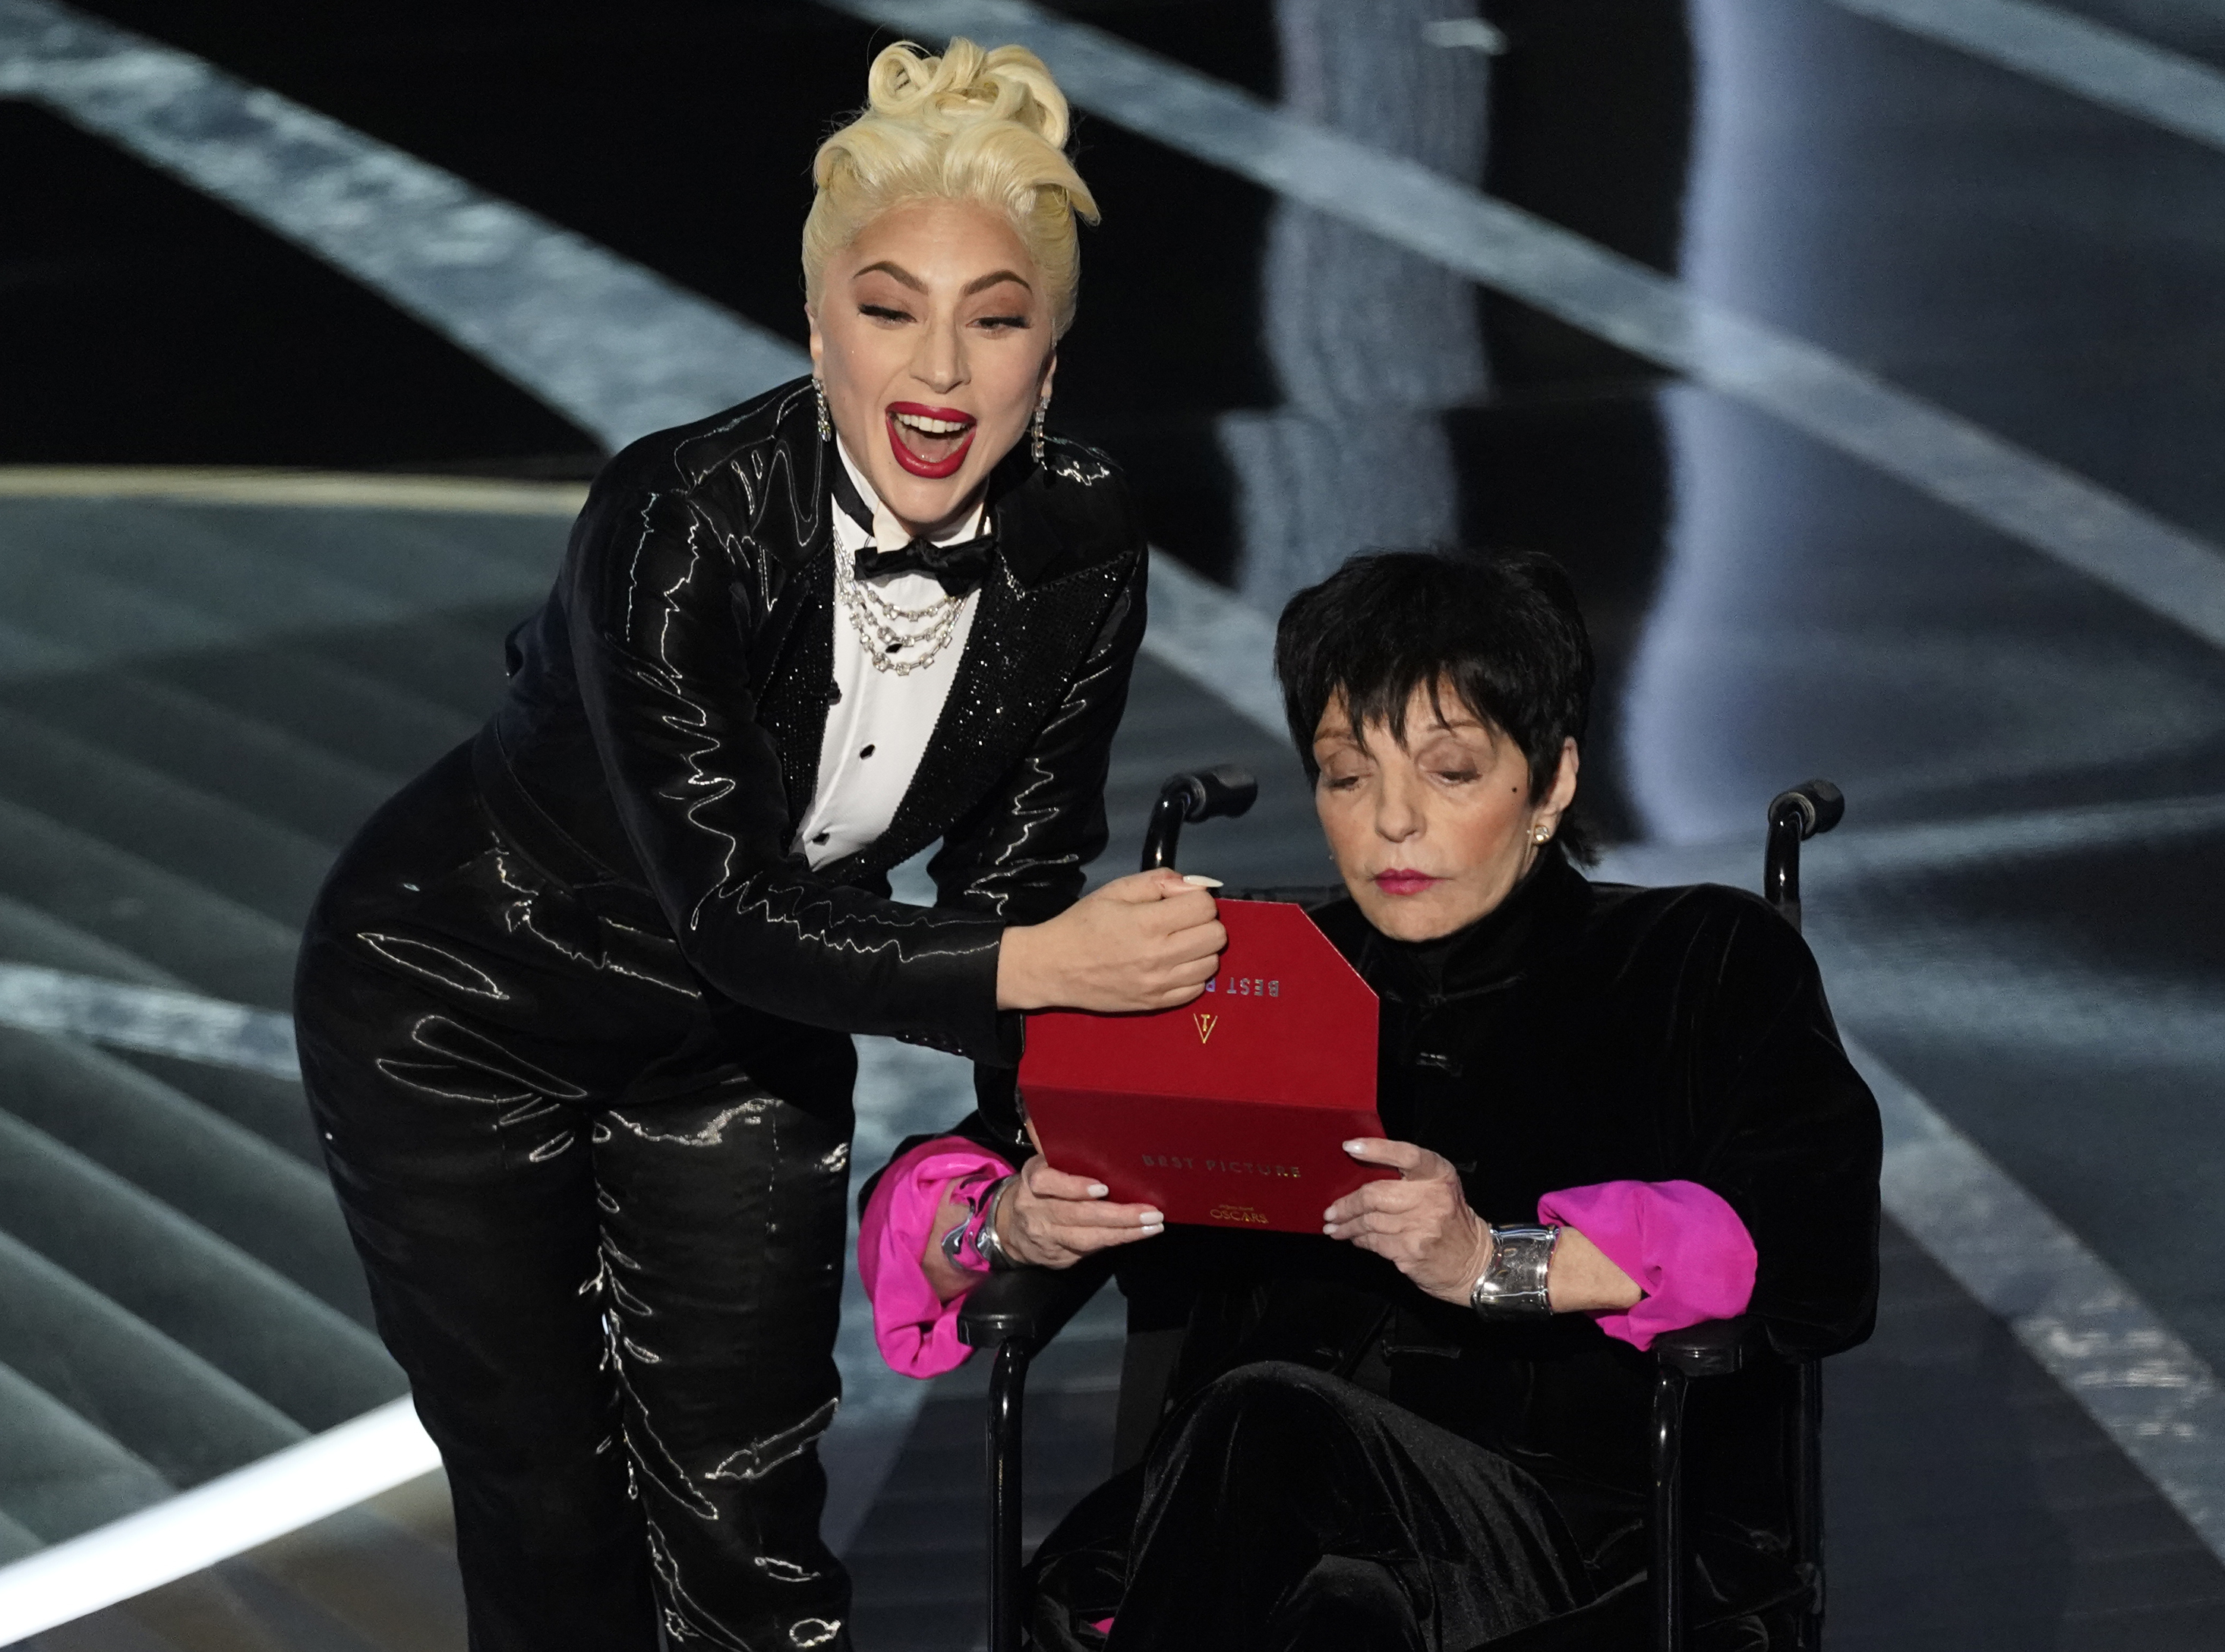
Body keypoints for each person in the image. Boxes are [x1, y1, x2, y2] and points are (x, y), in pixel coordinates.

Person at [293, 39, 1228, 1652]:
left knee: (751, 1517)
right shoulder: (681, 516)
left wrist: (1008, 1171)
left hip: (740, 1037)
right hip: (461, 999)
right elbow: (733, 907)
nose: (938, 368)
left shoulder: (1083, 541)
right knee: (555, 1506)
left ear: (1050, 362)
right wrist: (1030, 964)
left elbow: (1020, 871)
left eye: (994, 319)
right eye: (888, 308)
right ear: (815, 331)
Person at [857, 550, 1883, 1650]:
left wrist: (1495, 1261)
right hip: (1248, 1547)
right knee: (1343, 1605)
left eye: (1450, 773)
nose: (1394, 823)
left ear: (1552, 780)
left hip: (1574, 1547)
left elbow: (1807, 1241)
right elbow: (941, 1205)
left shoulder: (1698, 964)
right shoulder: (1230, 976)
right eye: (1349, 776)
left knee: (1276, 1425)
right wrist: (1005, 1218)